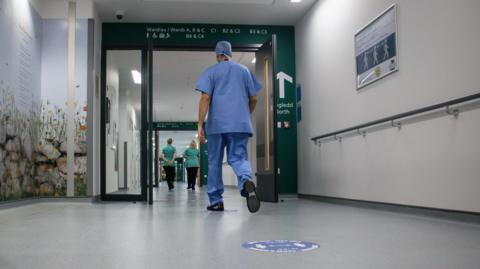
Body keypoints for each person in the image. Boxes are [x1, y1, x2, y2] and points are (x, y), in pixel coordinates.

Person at [196, 40, 262, 213]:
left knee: (214, 163)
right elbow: (254, 98)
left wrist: (200, 125)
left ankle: (216, 201)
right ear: (230, 54)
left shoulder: (210, 72)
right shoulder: (244, 71)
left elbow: (205, 98)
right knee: (238, 158)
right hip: (240, 124)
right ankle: (246, 181)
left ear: (218, 55)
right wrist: (244, 115)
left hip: (216, 125)